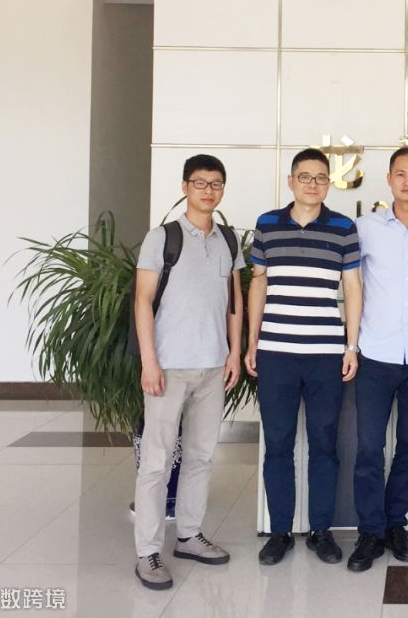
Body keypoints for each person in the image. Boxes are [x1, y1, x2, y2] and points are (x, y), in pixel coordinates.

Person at [245, 148, 362, 566]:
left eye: (321, 177)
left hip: (325, 354)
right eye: (305, 177)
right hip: (275, 352)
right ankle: (280, 532)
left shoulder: (343, 227)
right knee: (277, 445)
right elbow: (259, 283)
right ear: (291, 181)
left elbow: (352, 287)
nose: (313, 184)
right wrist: (252, 343)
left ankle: (320, 531)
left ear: (329, 183)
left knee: (324, 445)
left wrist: (351, 345)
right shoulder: (267, 224)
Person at [132, 154, 244, 590]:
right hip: (169, 366)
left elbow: (234, 302)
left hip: (213, 366)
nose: (208, 190)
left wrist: (234, 353)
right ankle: (148, 551)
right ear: (185, 187)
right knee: (157, 462)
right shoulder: (163, 237)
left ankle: (190, 535)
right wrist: (149, 361)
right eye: (200, 183)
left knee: (200, 455)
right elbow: (142, 300)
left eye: (216, 184)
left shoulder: (228, 240)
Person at [347, 147, 408, 572]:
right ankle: (369, 531)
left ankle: (394, 524)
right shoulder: (364, 228)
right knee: (369, 448)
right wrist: (350, 345)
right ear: (389, 179)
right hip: (375, 354)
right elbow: (349, 285)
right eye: (400, 174)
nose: (407, 181)